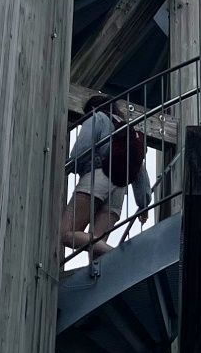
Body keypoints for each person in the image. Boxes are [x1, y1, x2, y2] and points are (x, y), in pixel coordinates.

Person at [61, 94, 152, 258]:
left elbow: (81, 150)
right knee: (96, 246)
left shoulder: (98, 117)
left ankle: (120, 255)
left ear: (92, 108)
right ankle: (107, 267)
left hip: (97, 179)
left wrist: (67, 168)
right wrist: (143, 203)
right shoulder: (127, 130)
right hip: (119, 189)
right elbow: (140, 169)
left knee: (67, 233)